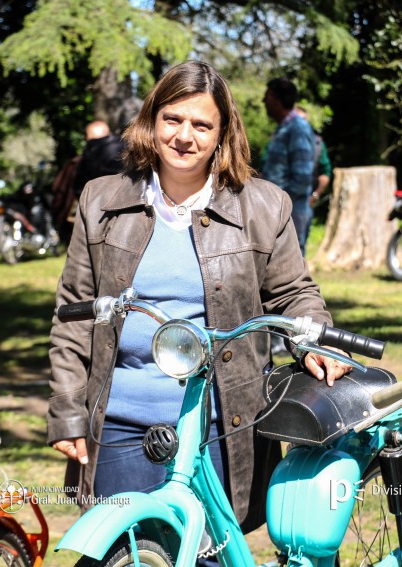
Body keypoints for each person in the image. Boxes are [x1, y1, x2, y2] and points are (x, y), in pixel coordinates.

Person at [47, 61, 352, 530]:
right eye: (173, 119)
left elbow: (294, 293)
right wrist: (68, 413)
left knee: (206, 553)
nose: (184, 136)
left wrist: (315, 340)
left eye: (201, 124)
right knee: (118, 550)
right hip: (120, 427)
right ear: (152, 120)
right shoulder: (101, 200)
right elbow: (74, 314)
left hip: (219, 424)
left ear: (222, 132)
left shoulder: (264, 205)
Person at [261, 78, 316, 256]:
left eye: (267, 96)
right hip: (278, 213)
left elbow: (302, 179)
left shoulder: (297, 129)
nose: (264, 101)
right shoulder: (284, 128)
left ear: (277, 100)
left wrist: (277, 204)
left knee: (291, 272)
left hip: (290, 217)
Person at [294, 105, 332, 213]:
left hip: (304, 204)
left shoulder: (317, 144)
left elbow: (325, 172)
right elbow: (263, 172)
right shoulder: (278, 142)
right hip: (278, 203)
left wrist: (315, 195)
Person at [72, 120, 125, 196]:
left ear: (88, 137)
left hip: (101, 199)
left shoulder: (90, 153)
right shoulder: (126, 145)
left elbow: (79, 186)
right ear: (108, 132)